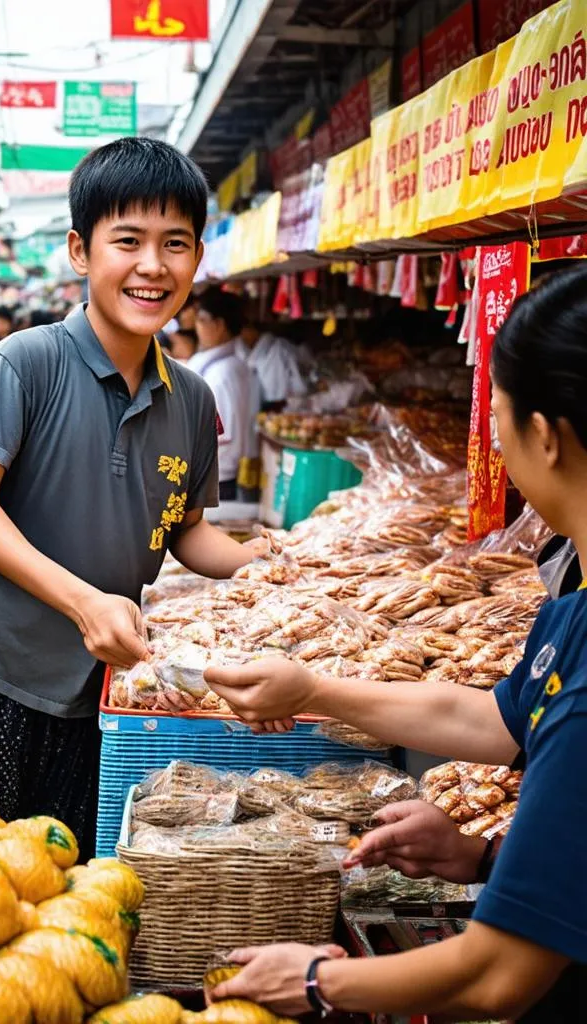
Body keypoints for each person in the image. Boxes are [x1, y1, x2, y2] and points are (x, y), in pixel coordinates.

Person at [202, 266, 587, 1022]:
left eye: (498, 417)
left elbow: (497, 974)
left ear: (543, 435)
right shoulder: (572, 599)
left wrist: (317, 981)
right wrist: (310, 690)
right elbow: (494, 721)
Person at [0, 137, 270, 852]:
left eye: (176, 244)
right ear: (80, 250)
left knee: (56, 881)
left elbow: (186, 531)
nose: (153, 266)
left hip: (94, 689)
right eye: (128, 240)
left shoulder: (191, 397)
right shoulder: (25, 361)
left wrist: (270, 566)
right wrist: (84, 601)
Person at [190, 287, 260, 505]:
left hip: (217, 478)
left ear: (219, 325)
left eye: (201, 319)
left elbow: (218, 434)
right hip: (225, 474)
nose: (196, 326)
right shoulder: (236, 365)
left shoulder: (220, 373)